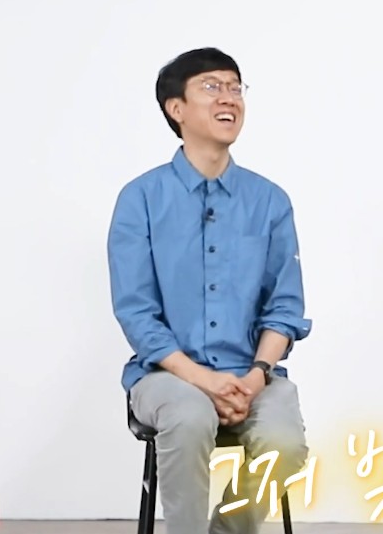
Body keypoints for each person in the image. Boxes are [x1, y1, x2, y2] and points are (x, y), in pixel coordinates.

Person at [107, 47, 312, 534]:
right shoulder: (140, 199)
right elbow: (137, 313)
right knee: (190, 414)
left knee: (285, 442)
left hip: (252, 376)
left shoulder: (270, 201)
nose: (229, 98)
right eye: (212, 87)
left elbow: (284, 307)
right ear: (176, 109)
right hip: (166, 375)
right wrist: (203, 379)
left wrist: (257, 375)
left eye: (235, 87)